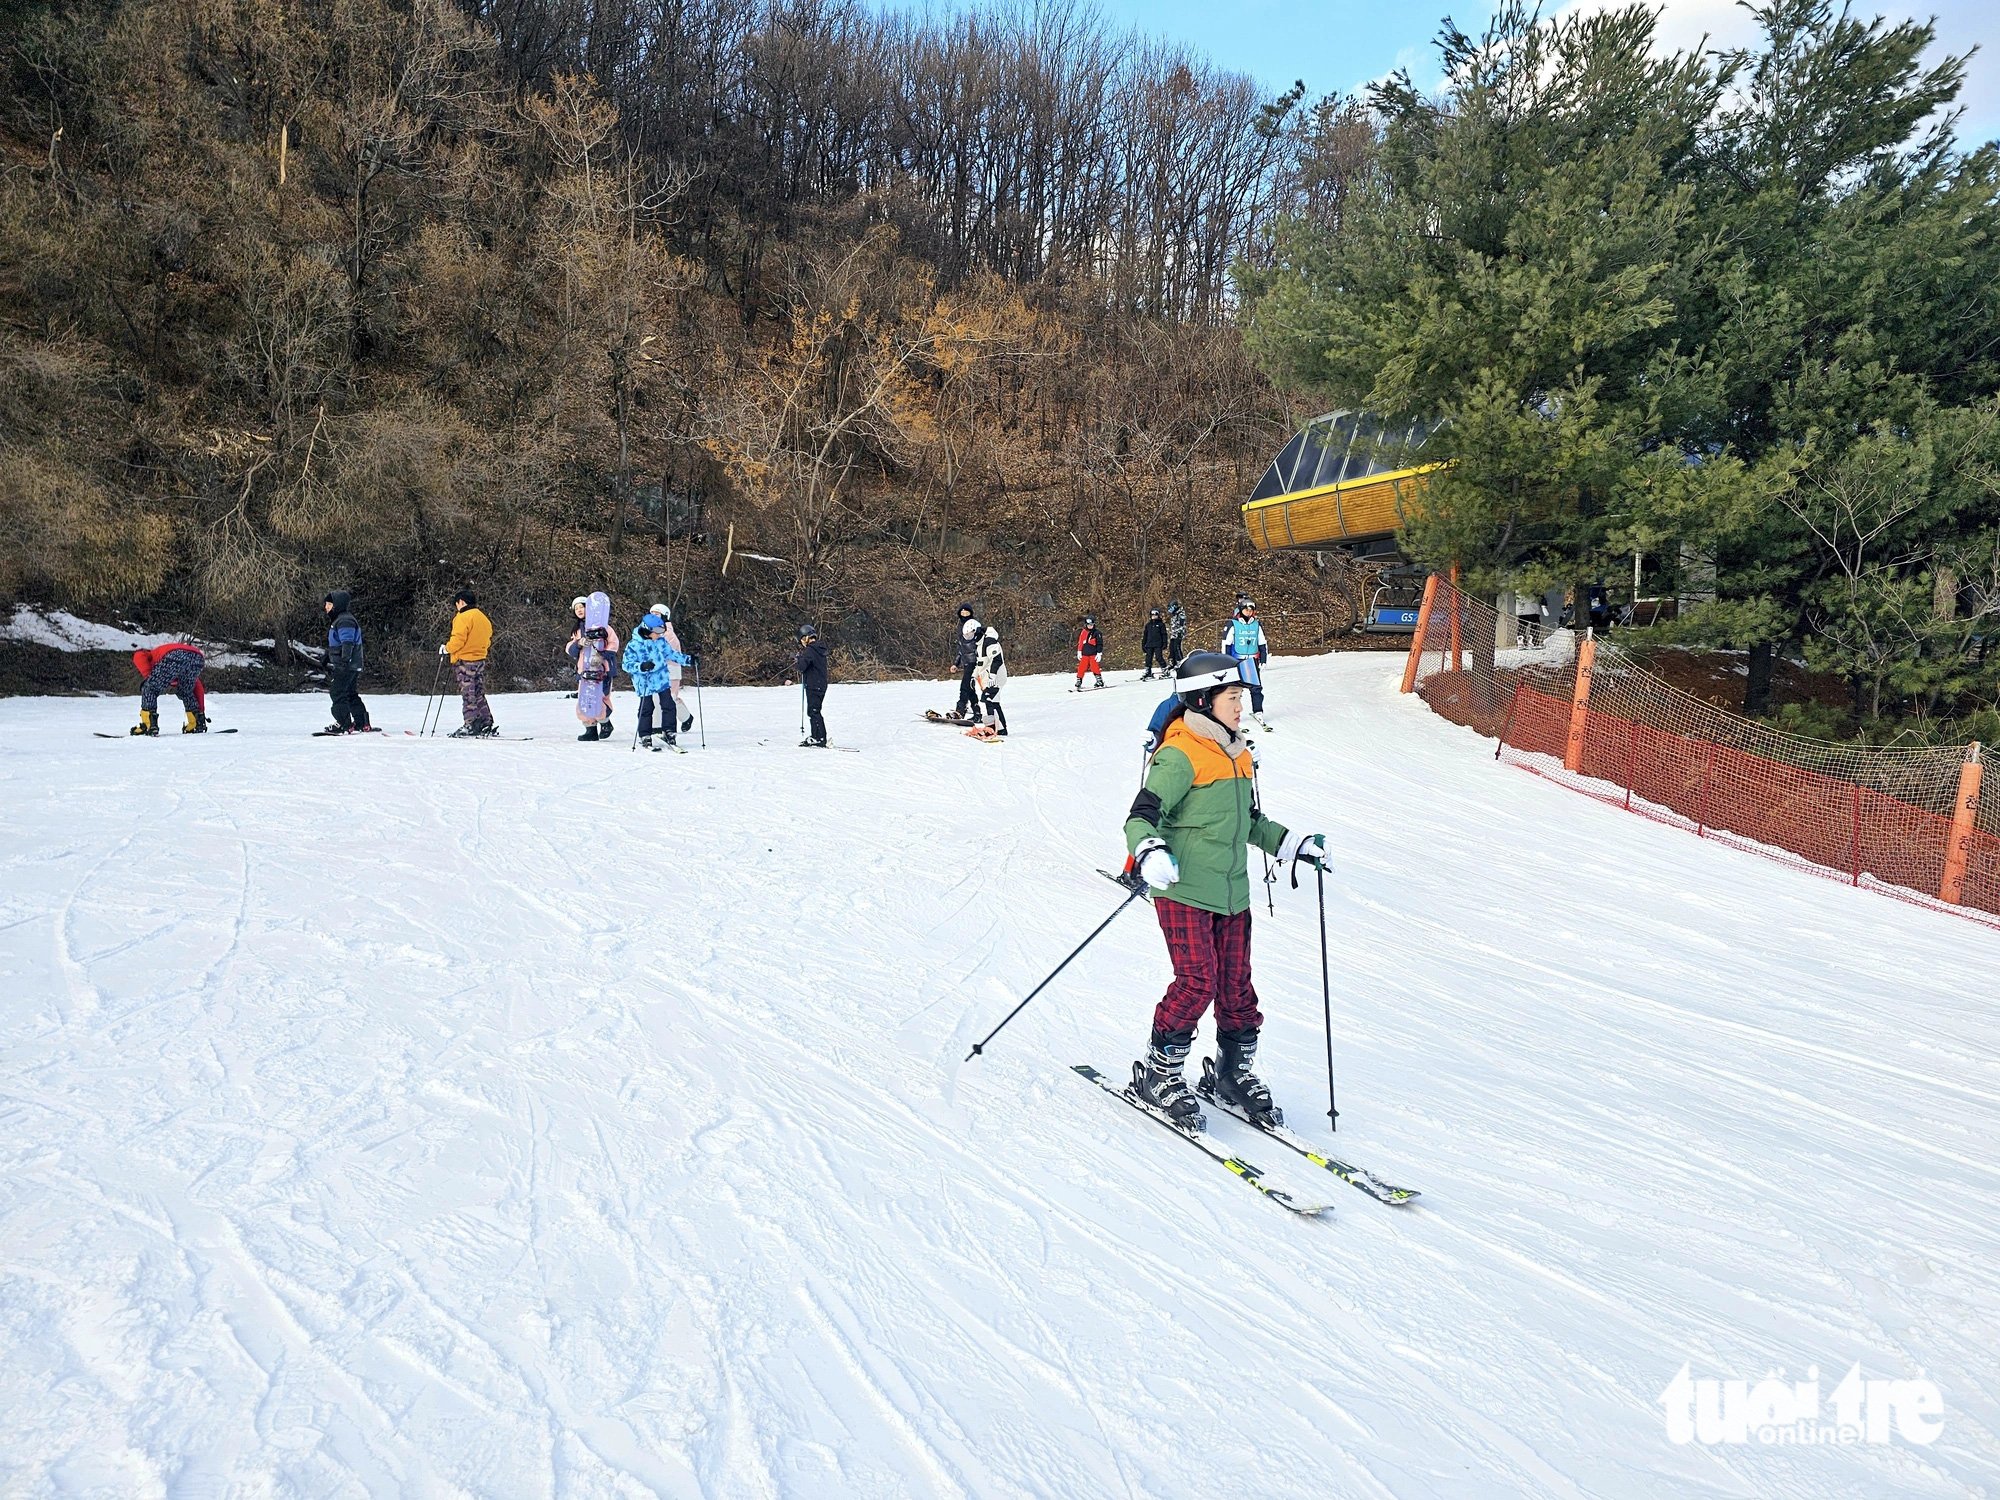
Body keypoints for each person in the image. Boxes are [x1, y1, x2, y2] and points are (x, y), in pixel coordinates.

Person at [1123, 652, 1325, 1130]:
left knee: (1237, 989)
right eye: (1233, 697)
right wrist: (1148, 849)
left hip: (1233, 894)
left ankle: (1231, 1076)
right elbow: (1141, 814)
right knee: (1196, 983)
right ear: (1203, 699)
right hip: (1185, 888)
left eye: (1242, 696)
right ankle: (1160, 1074)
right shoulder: (1179, 754)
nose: (1241, 705)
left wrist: (1291, 844)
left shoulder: (1238, 753)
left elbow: (1248, 822)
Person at [622, 613, 692, 749]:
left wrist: (689, 660)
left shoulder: (660, 642)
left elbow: (672, 655)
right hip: (645, 681)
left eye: (662, 631)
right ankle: (644, 735)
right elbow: (626, 664)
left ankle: (669, 731)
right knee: (647, 708)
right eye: (658, 631)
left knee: (668, 705)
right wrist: (641, 666)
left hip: (661, 679)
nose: (660, 634)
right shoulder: (634, 645)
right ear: (647, 630)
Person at [440, 589, 496, 737]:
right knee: (478, 692)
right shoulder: (483, 618)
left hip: (465, 660)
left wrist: (447, 648)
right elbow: (488, 637)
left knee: (468, 693)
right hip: (480, 659)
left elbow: (458, 639)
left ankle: (470, 724)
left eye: (456, 604)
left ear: (462, 602)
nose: (456, 607)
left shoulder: (463, 617)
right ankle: (486, 721)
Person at [567, 590, 619, 741]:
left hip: (602, 669)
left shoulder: (604, 627)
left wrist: (603, 655)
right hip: (584, 669)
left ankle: (605, 722)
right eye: (576, 609)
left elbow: (614, 643)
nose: (579, 610)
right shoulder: (577, 630)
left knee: (601, 697)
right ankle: (590, 728)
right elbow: (570, 649)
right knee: (585, 698)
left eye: (582, 607)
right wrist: (579, 643)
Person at [129, 641, 207, 735]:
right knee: (185, 691)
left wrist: (149, 678)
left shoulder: (151, 654)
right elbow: (198, 689)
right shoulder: (179, 671)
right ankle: (197, 723)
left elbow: (139, 654)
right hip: (197, 658)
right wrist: (201, 711)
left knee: (149, 688)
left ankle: (148, 725)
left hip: (174, 655)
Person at [321, 590, 372, 734]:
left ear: (337, 605)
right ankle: (362, 723)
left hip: (346, 665)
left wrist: (344, 661)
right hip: (351, 664)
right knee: (350, 693)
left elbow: (347, 642)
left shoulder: (344, 620)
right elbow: (337, 642)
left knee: (337, 693)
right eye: (326, 604)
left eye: (329, 604)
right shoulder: (341, 619)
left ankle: (344, 724)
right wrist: (327, 655)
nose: (326, 607)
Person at [1221, 599, 1271, 728]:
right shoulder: (1233, 624)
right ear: (1241, 610)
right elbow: (1226, 644)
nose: (1248, 612)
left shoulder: (1256, 625)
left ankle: (1258, 711)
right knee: (1234, 689)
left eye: (1251, 610)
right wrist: (1225, 661)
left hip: (1252, 661)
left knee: (1256, 688)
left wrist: (1263, 659)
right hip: (1236, 661)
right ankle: (1230, 714)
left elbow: (1262, 643)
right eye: (1246, 610)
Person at [650, 602, 696, 735]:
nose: (654, 616)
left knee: (669, 698)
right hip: (657, 671)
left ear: (664, 616)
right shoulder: (651, 631)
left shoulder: (668, 633)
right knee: (659, 698)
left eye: (657, 614)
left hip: (671, 670)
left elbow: (665, 652)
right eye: (652, 614)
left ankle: (658, 726)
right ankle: (685, 717)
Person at [970, 621, 1008, 738]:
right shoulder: (979, 645)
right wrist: (973, 676)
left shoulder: (989, 641)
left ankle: (1000, 729)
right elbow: (980, 663)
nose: (969, 638)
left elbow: (997, 659)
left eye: (970, 634)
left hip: (996, 676)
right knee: (990, 701)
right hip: (988, 678)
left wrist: (992, 675)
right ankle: (994, 728)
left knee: (990, 700)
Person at [796, 623, 830, 746]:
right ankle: (817, 736)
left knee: (814, 711)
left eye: (802, 640)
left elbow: (801, 667)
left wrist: (799, 658)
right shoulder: (819, 648)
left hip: (814, 685)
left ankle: (819, 738)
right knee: (815, 711)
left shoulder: (810, 650)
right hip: (820, 684)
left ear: (806, 637)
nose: (802, 643)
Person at [951, 602, 982, 722]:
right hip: (966, 662)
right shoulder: (960, 628)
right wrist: (955, 663)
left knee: (964, 686)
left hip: (974, 662)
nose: (964, 614)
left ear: (970, 613)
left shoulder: (974, 626)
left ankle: (960, 710)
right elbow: (960, 649)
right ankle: (977, 712)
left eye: (966, 612)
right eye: (962, 612)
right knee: (970, 688)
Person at [1074, 614, 1105, 691]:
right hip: (1085, 654)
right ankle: (1079, 681)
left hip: (1093, 654)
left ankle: (1099, 680)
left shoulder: (1097, 633)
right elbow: (1081, 642)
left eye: (1091, 625)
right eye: (1088, 625)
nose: (1090, 626)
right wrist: (1079, 651)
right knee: (1081, 667)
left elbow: (1099, 644)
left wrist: (1099, 653)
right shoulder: (1084, 632)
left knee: (1094, 667)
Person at [1141, 608, 1170, 680]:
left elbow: (1164, 634)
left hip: (1158, 644)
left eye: (1155, 614)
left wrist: (1164, 643)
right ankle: (1148, 671)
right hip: (1149, 644)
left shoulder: (1160, 624)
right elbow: (1145, 635)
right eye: (1152, 615)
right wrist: (1143, 644)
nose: (1154, 616)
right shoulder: (1148, 625)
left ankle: (1165, 670)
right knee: (1148, 658)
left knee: (1159, 657)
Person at [1166, 599, 1188, 666]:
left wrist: (1179, 633)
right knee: (1171, 647)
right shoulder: (1174, 615)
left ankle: (1180, 662)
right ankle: (1173, 662)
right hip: (1173, 634)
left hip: (1178, 634)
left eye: (1171, 607)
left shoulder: (1180, 614)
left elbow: (1182, 625)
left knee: (1176, 647)